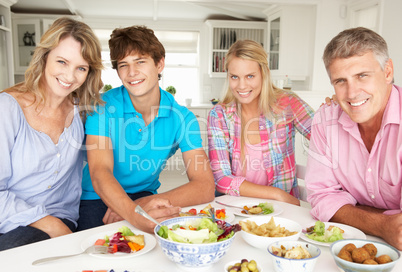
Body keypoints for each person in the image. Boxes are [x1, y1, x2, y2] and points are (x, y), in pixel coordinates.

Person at [78, 25, 215, 233]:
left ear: (159, 64)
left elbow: (204, 186)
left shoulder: (182, 118)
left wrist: (142, 203)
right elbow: (99, 172)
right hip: (97, 197)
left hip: (145, 194)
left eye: (140, 62)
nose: (132, 73)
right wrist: (131, 212)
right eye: (123, 65)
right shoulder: (103, 107)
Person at [0, 17, 104, 251]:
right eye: (62, 62)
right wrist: (50, 224)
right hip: (12, 218)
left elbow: (105, 165)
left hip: (57, 218)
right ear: (44, 57)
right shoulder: (7, 107)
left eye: (81, 68)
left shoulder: (84, 113)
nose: (69, 76)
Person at [305, 27, 402, 250]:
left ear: (387, 71)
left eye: (362, 76)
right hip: (346, 246)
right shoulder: (325, 119)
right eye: (340, 81)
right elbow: (321, 197)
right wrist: (382, 223)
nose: (351, 93)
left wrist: (350, 210)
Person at [207, 40, 314, 206]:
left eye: (250, 76)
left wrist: (337, 110)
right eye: (235, 77)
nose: (242, 86)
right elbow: (221, 179)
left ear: (263, 73)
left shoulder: (287, 103)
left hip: (283, 212)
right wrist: (277, 194)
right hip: (236, 209)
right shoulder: (219, 115)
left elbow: (324, 137)